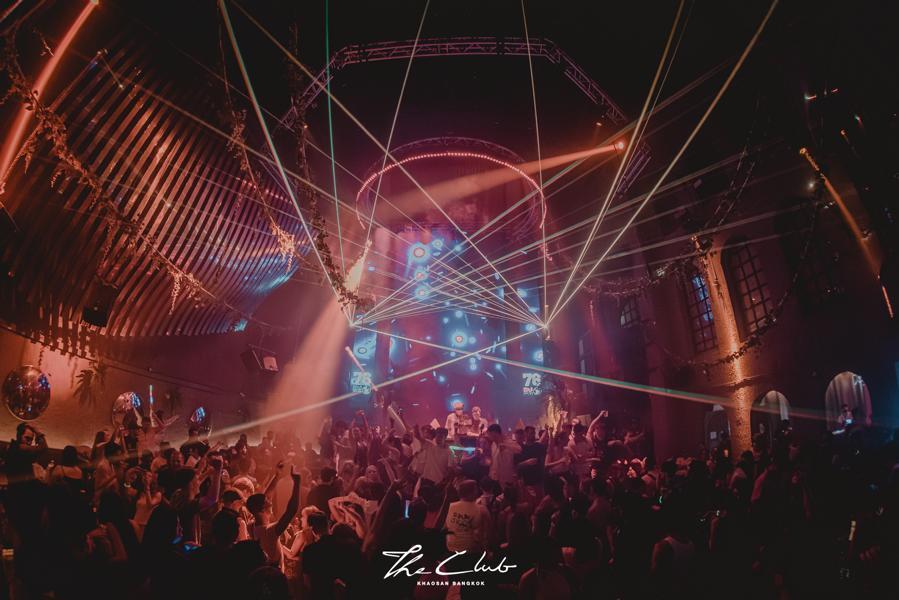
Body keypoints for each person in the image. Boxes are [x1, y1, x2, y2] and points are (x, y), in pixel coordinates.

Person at [247, 465, 301, 567]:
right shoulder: (270, 531)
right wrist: (297, 482)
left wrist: (277, 475)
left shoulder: (251, 526)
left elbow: (265, 496)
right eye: (268, 502)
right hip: (274, 575)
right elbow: (291, 510)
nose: (271, 502)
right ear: (262, 509)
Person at [445, 479, 491, 554]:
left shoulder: (450, 506)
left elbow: (447, 526)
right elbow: (485, 533)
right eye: (476, 489)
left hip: (450, 548)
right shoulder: (480, 509)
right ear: (473, 492)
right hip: (469, 550)